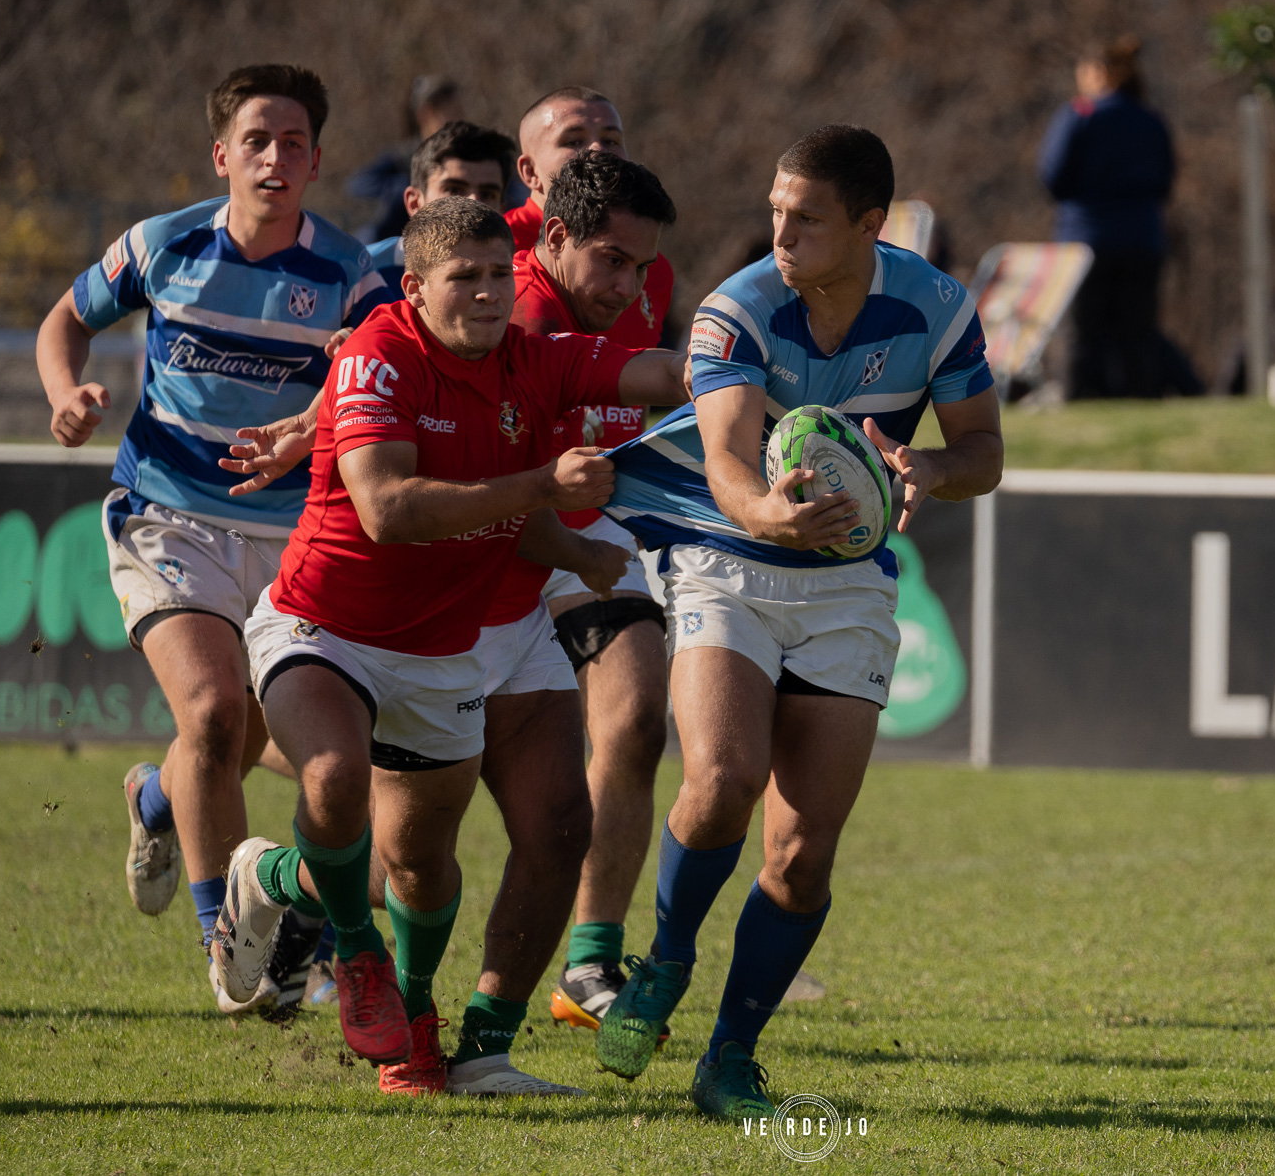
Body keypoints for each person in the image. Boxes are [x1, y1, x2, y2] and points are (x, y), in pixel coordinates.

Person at [211, 196, 688, 1094]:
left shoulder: (534, 361)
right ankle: (357, 955)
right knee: (333, 780)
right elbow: (390, 512)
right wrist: (547, 485)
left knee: (424, 865)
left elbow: (661, 375)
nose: (485, 294)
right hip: (325, 626)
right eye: (463, 279)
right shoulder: (376, 354)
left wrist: (754, 362)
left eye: (496, 277)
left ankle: (430, 1026)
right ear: (416, 286)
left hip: (443, 650)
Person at [597, 125, 1002, 1119]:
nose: (779, 232)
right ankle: (667, 959)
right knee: (723, 779)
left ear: (870, 225)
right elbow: (731, 460)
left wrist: (928, 470)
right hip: (726, 556)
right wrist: (771, 514)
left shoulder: (939, 310)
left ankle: (730, 1058)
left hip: (848, 582)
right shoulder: (738, 308)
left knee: (803, 850)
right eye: (775, 211)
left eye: (806, 218)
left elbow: (984, 451)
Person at [34, 65, 393, 1014]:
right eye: (258, 140)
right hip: (167, 512)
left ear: (316, 160)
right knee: (215, 714)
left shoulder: (346, 270)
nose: (275, 158)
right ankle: (226, 945)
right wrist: (66, 393)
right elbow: (64, 320)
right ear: (222, 153)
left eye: (294, 143)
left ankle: (159, 802)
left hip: (293, 534)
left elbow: (361, 378)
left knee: (254, 733)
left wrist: (311, 426)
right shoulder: (163, 244)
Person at [493, 150, 679, 1037]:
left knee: (640, 716)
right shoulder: (507, 306)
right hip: (494, 534)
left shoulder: (636, 281)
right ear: (554, 229)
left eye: (640, 267)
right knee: (399, 810)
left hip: (586, 530)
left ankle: (591, 961)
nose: (628, 284)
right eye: (612, 261)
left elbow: (659, 385)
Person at [1038, 36, 1195, 398]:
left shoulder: (1081, 114)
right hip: (1142, 237)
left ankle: (1079, 397)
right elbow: (1165, 179)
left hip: (1086, 238)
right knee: (1137, 332)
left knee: (1083, 331)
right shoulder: (1150, 119)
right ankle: (1140, 399)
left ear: (1098, 72)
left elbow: (1051, 174)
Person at [506, 86, 674, 350]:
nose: (597, 150)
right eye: (573, 141)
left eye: (611, 140)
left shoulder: (656, 270)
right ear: (529, 171)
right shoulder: (493, 250)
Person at [367, 121, 514, 295]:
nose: (473, 203)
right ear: (415, 203)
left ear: (502, 210)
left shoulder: (516, 278)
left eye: (488, 194)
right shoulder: (361, 271)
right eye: (454, 190)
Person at [346, 75, 471, 244]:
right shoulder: (402, 157)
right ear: (426, 113)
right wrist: (419, 188)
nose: (461, 118)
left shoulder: (470, 159)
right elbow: (357, 186)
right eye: (453, 111)